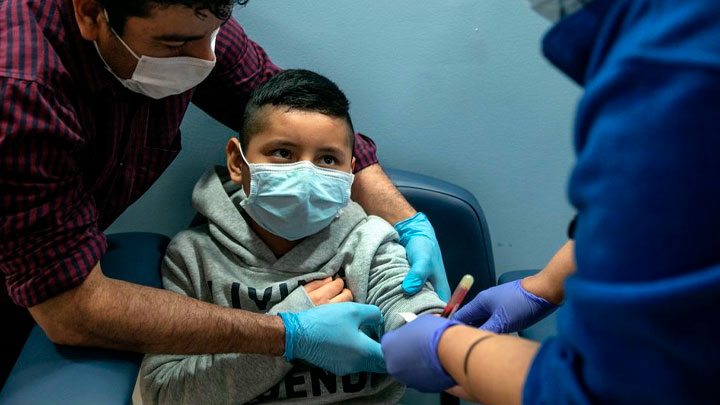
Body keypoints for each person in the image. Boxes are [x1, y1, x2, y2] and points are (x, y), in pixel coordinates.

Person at [0, 0, 450, 386]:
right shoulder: (19, 89)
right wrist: (286, 333)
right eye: (175, 45)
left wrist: (408, 224)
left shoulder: (369, 241)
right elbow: (71, 308)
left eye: (213, 35)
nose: (204, 60)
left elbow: (287, 106)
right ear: (90, 13)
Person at [381, 0, 720, 403]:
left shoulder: (673, 72)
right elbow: (672, 225)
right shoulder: (681, 54)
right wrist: (545, 285)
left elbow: (612, 391)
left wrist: (451, 350)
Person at [137, 69, 446, 404]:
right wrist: (287, 329)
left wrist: (438, 338)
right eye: (283, 153)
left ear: (350, 171)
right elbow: (162, 392)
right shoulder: (193, 258)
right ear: (237, 162)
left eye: (328, 159)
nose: (306, 175)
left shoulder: (370, 241)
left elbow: (409, 307)